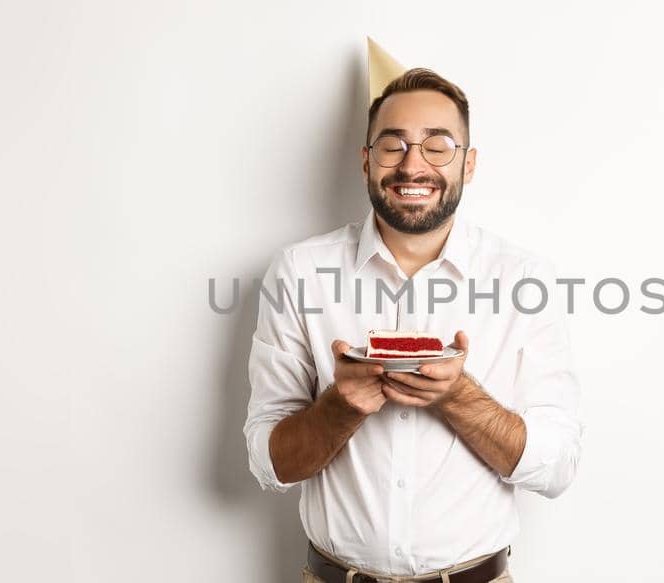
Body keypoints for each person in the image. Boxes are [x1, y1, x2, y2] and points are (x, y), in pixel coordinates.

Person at [244, 60, 583, 583]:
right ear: (366, 160)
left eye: (438, 144)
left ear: (468, 164)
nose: (412, 165)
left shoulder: (524, 279)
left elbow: (557, 467)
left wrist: (458, 397)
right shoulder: (299, 272)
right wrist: (341, 406)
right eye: (393, 144)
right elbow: (271, 466)